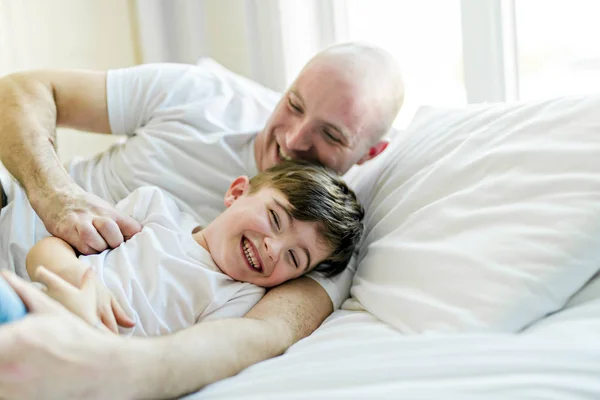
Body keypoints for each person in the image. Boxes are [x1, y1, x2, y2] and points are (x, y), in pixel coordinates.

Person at [0, 42, 404, 398]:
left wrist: (101, 358)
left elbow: (259, 335)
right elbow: (21, 91)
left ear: (371, 153)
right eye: (294, 105)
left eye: (331, 136)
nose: (295, 139)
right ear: (237, 191)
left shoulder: (329, 245)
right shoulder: (201, 108)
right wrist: (56, 196)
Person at [19, 161, 363, 335]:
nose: (273, 249)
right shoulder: (154, 209)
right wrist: (75, 277)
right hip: (33, 306)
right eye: (274, 218)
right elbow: (46, 250)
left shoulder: (238, 298)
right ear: (237, 193)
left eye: (293, 257)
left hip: (83, 355)